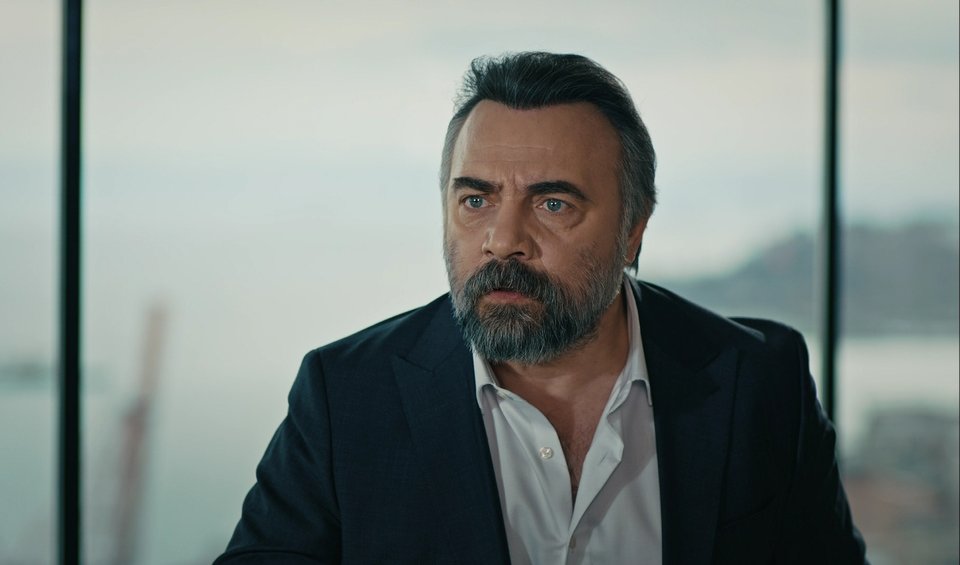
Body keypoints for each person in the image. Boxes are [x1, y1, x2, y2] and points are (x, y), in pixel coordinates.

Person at [214, 52, 867, 564]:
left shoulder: (759, 383)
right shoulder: (346, 397)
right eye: (475, 200)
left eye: (553, 204)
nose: (503, 239)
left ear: (634, 227)